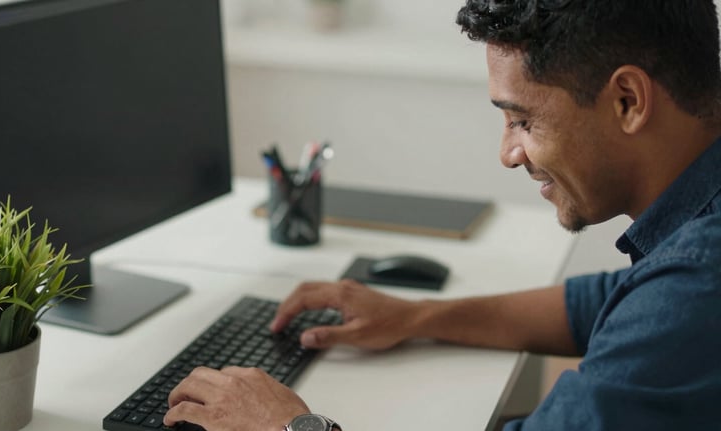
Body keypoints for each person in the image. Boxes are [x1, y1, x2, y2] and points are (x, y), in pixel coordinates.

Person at [163, 1, 721, 429]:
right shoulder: (691, 243)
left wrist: (289, 425)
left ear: (627, 100)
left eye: (522, 120)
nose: (508, 153)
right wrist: (418, 318)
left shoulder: (697, 283)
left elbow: (662, 306)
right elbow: (608, 302)